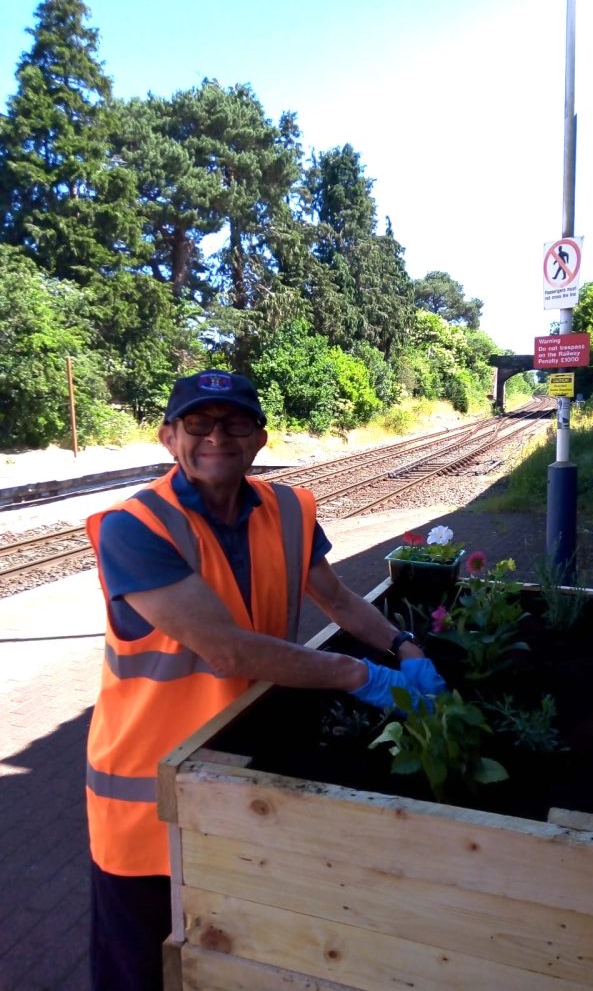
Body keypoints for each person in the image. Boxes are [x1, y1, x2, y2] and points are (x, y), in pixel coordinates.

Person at [84, 369, 446, 990]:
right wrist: (359, 674)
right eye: (198, 423)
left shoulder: (289, 508)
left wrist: (404, 645)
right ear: (169, 438)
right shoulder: (134, 527)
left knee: (229, 953)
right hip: (149, 798)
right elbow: (225, 650)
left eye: (235, 423)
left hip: (245, 772)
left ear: (260, 439)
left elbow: (336, 599)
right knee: (140, 969)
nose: (216, 436)